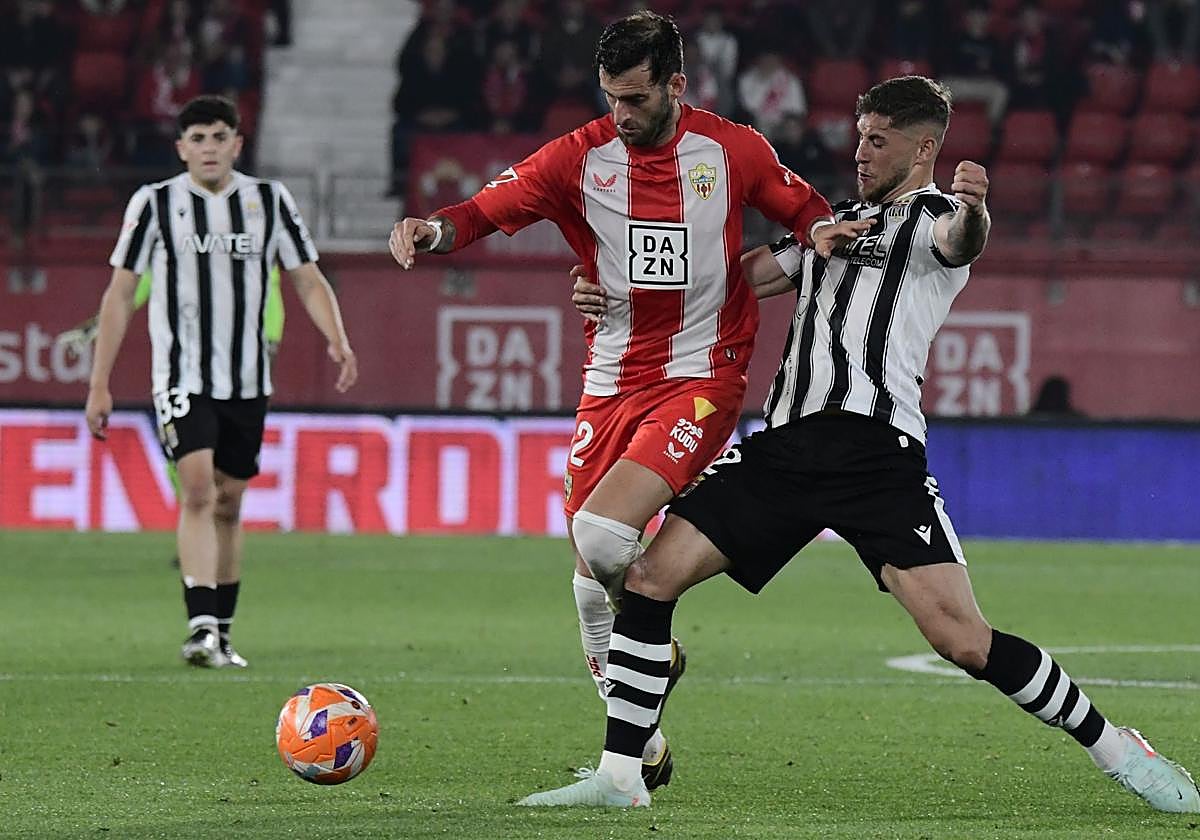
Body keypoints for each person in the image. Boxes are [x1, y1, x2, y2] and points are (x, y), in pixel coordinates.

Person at [518, 75, 1200, 813]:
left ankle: (1117, 749)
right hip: (784, 447)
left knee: (964, 641)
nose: (861, 151)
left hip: (877, 454)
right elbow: (733, 280)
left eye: (878, 139)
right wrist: (613, 285)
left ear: (924, 146)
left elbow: (961, 241)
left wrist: (976, 209)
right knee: (650, 580)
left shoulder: (937, 219)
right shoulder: (830, 222)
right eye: (859, 135)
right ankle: (621, 777)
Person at [389, 10, 867, 792]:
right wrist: (430, 232)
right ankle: (638, 732)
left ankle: (653, 626)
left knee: (607, 538)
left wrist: (820, 236)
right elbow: (478, 213)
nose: (621, 114)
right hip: (610, 381)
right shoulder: (577, 159)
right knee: (589, 571)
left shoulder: (732, 150)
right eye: (611, 97)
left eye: (637, 98)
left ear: (677, 85)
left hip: (703, 375)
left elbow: (805, 210)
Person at [85, 95, 357, 669]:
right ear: (181, 148)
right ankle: (200, 625)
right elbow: (118, 296)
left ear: (237, 142)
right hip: (182, 375)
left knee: (230, 504)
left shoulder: (269, 200)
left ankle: (222, 634)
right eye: (197, 139)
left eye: (219, 137)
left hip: (247, 378)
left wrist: (336, 337)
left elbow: (307, 279)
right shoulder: (155, 204)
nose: (208, 148)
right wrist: (99, 382)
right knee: (199, 489)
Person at [60, 263, 286, 569]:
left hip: (242, 354)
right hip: (192, 360)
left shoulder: (249, 227)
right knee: (186, 455)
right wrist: (98, 325)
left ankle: (212, 535)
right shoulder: (181, 233)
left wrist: (268, 340)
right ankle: (200, 533)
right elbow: (137, 284)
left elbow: (291, 279)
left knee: (222, 467)